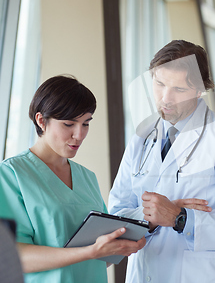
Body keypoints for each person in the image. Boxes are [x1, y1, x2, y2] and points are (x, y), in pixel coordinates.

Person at [108, 40, 215, 283]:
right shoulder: (141, 137)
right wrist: (148, 218)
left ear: (200, 90)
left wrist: (181, 219)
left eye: (179, 89)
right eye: (159, 84)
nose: (165, 98)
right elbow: (116, 212)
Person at [0, 75, 146, 283]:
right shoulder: (11, 174)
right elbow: (13, 257)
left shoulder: (87, 177)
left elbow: (100, 259)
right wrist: (89, 252)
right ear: (41, 121)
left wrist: (119, 246)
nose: (79, 134)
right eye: (69, 124)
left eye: (86, 124)